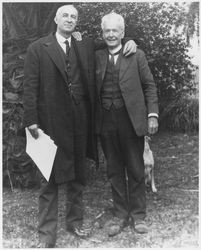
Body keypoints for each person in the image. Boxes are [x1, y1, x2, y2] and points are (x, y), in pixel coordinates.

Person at [23, 4, 136, 248]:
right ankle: (47, 233)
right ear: (56, 18)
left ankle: (74, 222)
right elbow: (30, 86)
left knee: (77, 177)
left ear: (77, 22)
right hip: (50, 124)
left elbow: (111, 39)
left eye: (74, 17)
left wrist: (131, 41)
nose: (70, 19)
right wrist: (31, 120)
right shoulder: (38, 48)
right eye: (65, 15)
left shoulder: (83, 45)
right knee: (48, 178)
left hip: (79, 122)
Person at [95, 12, 159, 237]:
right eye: (107, 31)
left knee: (135, 167)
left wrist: (152, 115)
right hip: (105, 122)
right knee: (113, 170)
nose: (111, 34)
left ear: (123, 33)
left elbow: (149, 85)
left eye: (115, 30)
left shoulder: (136, 55)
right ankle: (121, 214)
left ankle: (139, 215)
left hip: (131, 120)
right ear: (102, 33)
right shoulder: (97, 56)